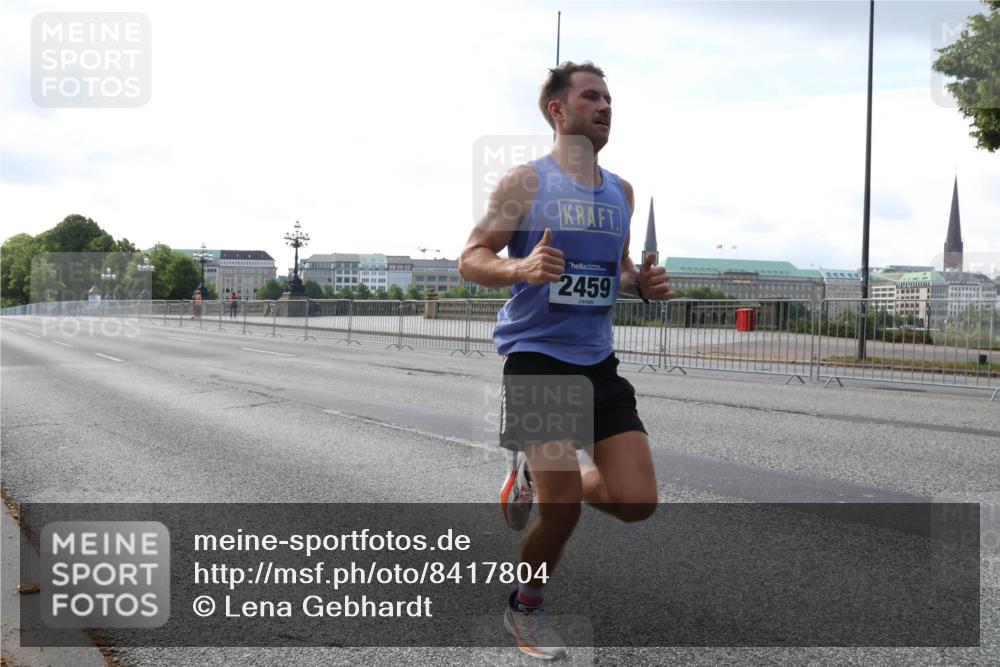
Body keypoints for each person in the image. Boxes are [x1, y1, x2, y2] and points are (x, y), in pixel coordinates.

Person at [458, 61, 675, 660]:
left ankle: (539, 480)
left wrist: (641, 284)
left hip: (597, 361)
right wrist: (519, 267)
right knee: (562, 513)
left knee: (637, 502)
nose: (605, 106)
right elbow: (472, 256)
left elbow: (618, 271)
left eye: (609, 98)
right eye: (591, 97)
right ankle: (524, 608)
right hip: (537, 357)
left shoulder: (621, 192)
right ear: (558, 111)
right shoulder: (526, 183)